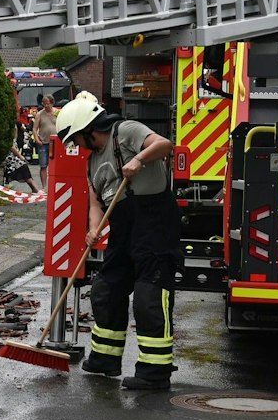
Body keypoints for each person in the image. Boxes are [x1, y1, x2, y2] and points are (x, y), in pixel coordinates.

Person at [54, 91, 180, 390]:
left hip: (154, 219)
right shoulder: (91, 162)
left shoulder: (126, 131)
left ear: (87, 130)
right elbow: (97, 203)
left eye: (75, 139)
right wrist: (93, 229)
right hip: (123, 224)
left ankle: (154, 372)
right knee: (106, 289)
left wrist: (138, 159)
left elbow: (164, 145)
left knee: (149, 295)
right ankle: (105, 359)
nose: (76, 146)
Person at [31, 97, 59, 177]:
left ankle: (52, 183)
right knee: (43, 165)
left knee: (54, 165)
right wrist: (37, 139)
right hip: (43, 143)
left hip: (55, 143)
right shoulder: (39, 114)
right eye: (44, 104)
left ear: (52, 103)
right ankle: (44, 186)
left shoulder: (57, 112)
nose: (46, 106)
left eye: (48, 104)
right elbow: (34, 128)